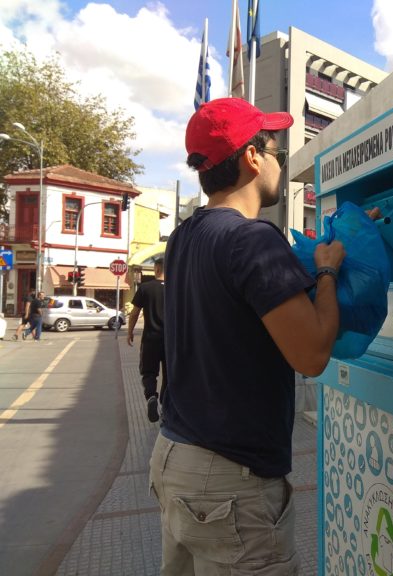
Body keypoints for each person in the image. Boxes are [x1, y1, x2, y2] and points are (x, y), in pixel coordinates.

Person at [149, 98, 349, 575]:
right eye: (276, 151)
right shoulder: (252, 238)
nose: (281, 162)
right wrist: (326, 273)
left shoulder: (184, 237)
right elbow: (313, 353)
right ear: (252, 157)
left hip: (175, 458)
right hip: (229, 483)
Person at [127, 259, 166, 423]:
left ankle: (151, 396)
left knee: (149, 372)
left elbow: (134, 313)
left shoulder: (145, 288)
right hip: (171, 341)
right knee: (170, 375)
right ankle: (166, 407)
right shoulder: (178, 288)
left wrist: (130, 332)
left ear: (156, 269)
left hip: (150, 339)